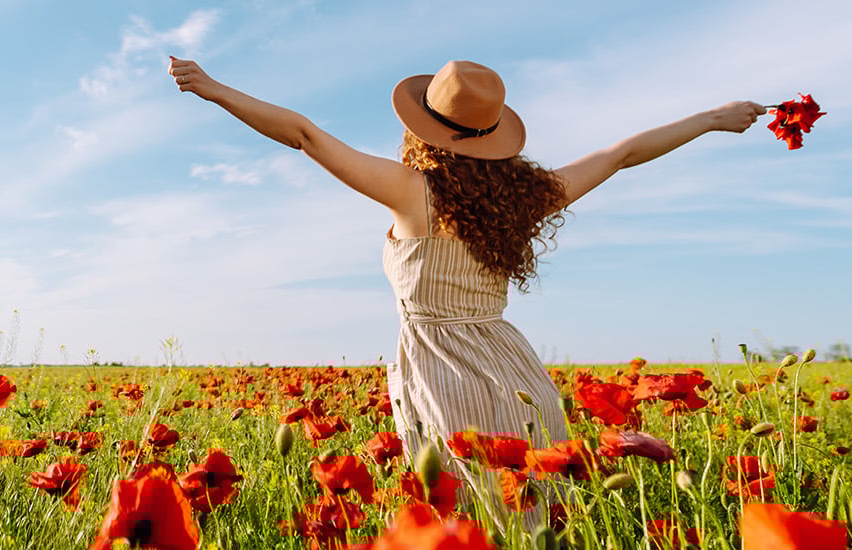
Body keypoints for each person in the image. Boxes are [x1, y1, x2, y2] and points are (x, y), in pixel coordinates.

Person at [169, 56, 766, 522]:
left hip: (441, 373)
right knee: (533, 511)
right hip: (515, 369)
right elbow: (622, 154)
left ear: (424, 128)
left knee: (468, 516)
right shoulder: (527, 198)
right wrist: (712, 119)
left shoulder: (412, 192)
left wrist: (215, 89)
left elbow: (304, 133)